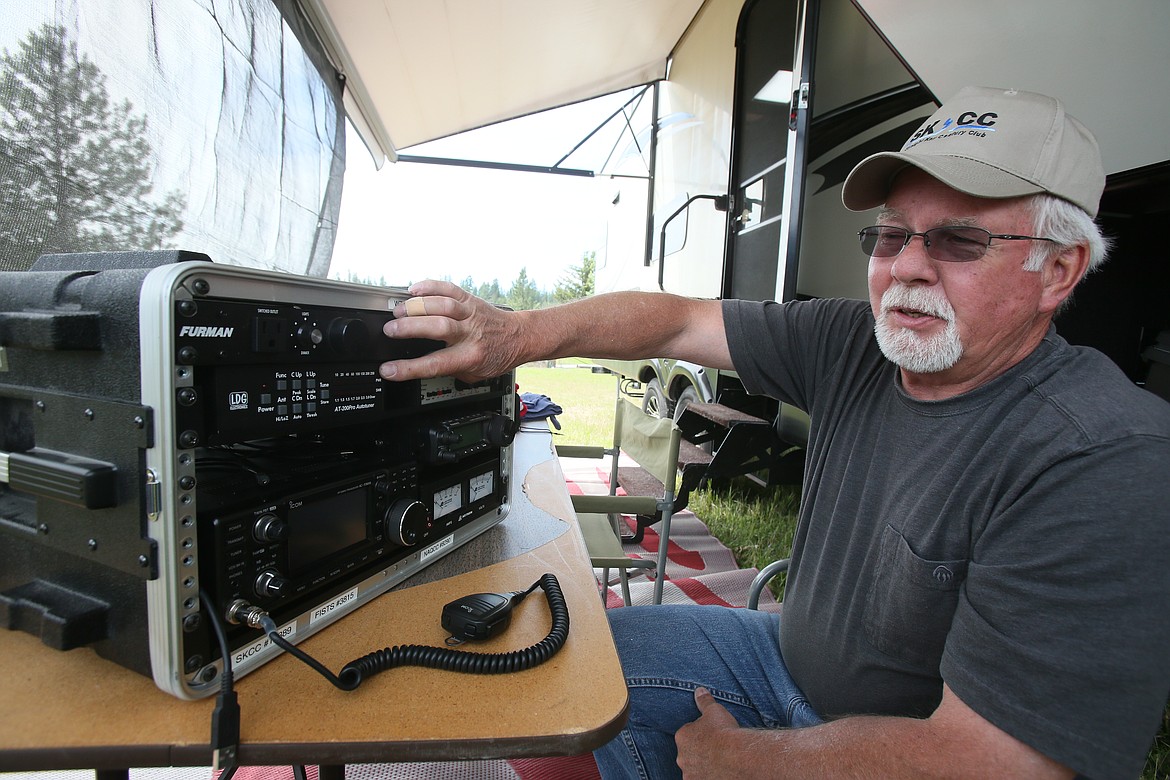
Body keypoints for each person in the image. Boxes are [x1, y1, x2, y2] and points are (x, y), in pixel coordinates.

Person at [377, 86, 1170, 779]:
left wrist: (752, 761)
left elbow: (999, 763)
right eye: (892, 235)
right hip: (784, 657)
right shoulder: (851, 343)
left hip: (911, 746)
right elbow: (678, 319)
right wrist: (519, 335)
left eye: (959, 241)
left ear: (1059, 271)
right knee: (600, 666)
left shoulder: (1102, 458)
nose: (907, 268)